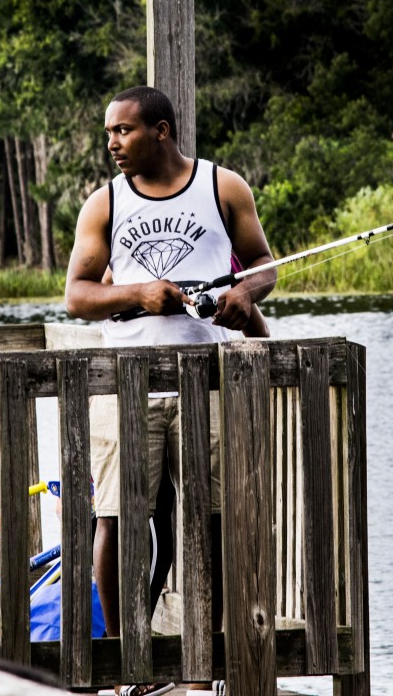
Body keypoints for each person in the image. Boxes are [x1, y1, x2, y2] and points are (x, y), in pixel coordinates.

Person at [65, 86, 276, 696]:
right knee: (119, 520)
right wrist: (137, 294)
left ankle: (202, 661)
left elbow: (264, 264)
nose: (112, 144)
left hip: (206, 380)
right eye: (109, 133)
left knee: (211, 518)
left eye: (123, 132)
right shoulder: (103, 203)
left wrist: (244, 295)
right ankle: (124, 660)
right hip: (126, 383)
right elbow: (77, 295)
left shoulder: (223, 187)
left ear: (160, 130)